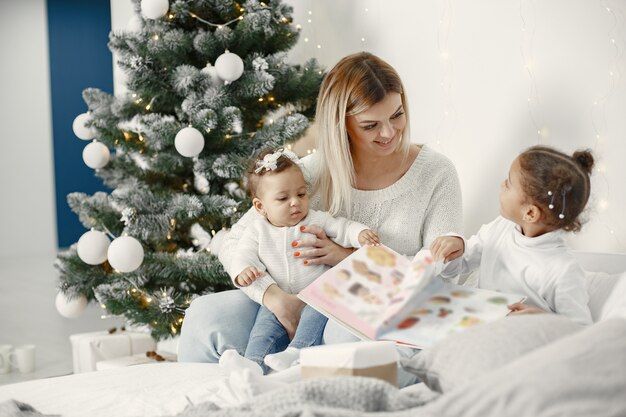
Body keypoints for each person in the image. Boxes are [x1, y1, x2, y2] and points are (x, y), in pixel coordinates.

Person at [178, 52, 463, 386]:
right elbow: (235, 242)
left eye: (397, 115)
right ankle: (231, 395)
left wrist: (346, 257)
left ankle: (288, 383)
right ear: (341, 124)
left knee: (340, 341)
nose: (389, 133)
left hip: (380, 308)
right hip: (292, 297)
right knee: (203, 317)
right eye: (370, 125)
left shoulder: (435, 172)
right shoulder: (309, 174)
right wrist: (275, 298)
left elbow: (439, 281)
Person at [222, 147, 380, 374]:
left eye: (301, 194)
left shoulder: (315, 220)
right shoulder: (257, 230)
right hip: (280, 297)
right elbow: (242, 253)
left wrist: (360, 234)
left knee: (317, 313)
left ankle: (297, 352)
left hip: (317, 296)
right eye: (283, 198)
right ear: (260, 206)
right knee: (263, 329)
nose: (295, 203)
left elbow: (342, 227)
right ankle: (252, 365)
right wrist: (243, 270)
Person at [430, 145, 594, 325]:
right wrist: (458, 247)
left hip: (522, 343)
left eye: (508, 183)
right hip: (480, 328)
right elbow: (461, 265)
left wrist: (543, 319)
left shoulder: (562, 270)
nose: (502, 184)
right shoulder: (500, 228)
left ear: (530, 214)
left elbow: (580, 330)